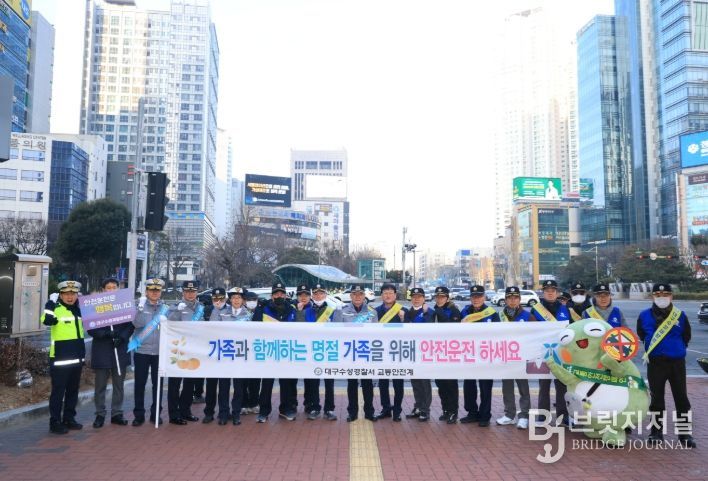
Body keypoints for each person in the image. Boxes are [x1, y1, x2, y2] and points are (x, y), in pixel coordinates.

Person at [637, 283, 696, 448]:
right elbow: (642, 334)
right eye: (658, 295)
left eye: (665, 294)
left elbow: (686, 336)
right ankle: (656, 433)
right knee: (656, 400)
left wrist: (675, 349)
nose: (661, 297)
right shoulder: (644, 315)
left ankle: (684, 434)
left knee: (681, 399)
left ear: (671, 296)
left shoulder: (680, 315)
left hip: (676, 363)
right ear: (653, 296)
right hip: (656, 363)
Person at [88, 278, 134, 428]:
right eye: (108, 287)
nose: (112, 290)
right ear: (103, 289)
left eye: (114, 287)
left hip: (119, 350)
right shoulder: (94, 305)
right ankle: (100, 414)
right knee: (100, 385)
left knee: (118, 385)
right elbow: (91, 328)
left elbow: (130, 325)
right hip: (102, 350)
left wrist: (122, 337)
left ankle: (117, 413)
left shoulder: (124, 304)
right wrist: (106, 334)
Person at [42, 280, 86, 435]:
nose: (70, 297)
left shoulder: (79, 310)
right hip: (60, 360)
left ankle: (69, 418)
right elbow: (47, 321)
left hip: (77, 359)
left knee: (73, 391)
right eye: (66, 293)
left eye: (73, 294)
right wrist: (50, 303)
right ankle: (55, 422)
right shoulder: (55, 309)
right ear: (60, 295)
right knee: (58, 392)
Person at [529, 279, 571, 427]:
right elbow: (530, 331)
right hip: (542, 353)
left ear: (557, 293)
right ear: (543, 293)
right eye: (547, 291)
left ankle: (563, 416)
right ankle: (543, 416)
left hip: (562, 353)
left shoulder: (566, 309)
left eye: (553, 290)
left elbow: (572, 330)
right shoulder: (536, 309)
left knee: (562, 386)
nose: (550, 293)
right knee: (543, 386)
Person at [252, 282, 297, 423]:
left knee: (286, 383)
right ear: (272, 296)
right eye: (276, 293)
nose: (279, 296)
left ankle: (285, 410)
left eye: (282, 293)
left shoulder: (292, 309)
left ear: (285, 295)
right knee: (266, 384)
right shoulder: (263, 309)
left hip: (286, 350)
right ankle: (264, 412)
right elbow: (254, 327)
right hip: (269, 350)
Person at [297, 283, 340, 421]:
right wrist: (299, 312)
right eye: (315, 294)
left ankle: (329, 409)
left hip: (328, 349)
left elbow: (339, 330)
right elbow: (299, 330)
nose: (318, 296)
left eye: (321, 293)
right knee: (313, 381)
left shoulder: (333, 310)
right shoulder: (306, 311)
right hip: (312, 350)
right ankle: (314, 407)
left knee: (329, 382)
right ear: (312, 296)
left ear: (325, 295)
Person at [459, 284, 500, 427]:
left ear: (484, 297)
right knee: (469, 386)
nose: (476, 299)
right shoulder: (464, 312)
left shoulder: (492, 313)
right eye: (473, 296)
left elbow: (499, 334)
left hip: (486, 355)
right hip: (469, 354)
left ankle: (485, 415)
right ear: (470, 298)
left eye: (479, 296)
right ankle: (472, 412)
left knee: (485, 387)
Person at [166, 280, 203, 425]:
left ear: (197, 292)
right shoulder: (175, 307)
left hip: (194, 350)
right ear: (183, 292)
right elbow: (167, 323)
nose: (190, 294)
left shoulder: (201, 308)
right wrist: (177, 312)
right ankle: (174, 414)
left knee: (190, 383)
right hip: (178, 350)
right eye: (187, 291)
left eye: (193, 291)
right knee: (175, 383)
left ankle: (185, 411)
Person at [131, 278, 166, 426]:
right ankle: (139, 415)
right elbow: (136, 324)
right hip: (142, 351)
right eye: (152, 290)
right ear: (146, 292)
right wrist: (139, 308)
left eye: (157, 290)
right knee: (140, 384)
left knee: (158, 385)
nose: (154, 293)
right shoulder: (138, 306)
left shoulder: (165, 308)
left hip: (159, 352)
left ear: (160, 292)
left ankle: (155, 413)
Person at [341, 286, 378, 422]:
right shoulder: (342, 311)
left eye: (360, 294)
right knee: (352, 384)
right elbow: (335, 332)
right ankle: (352, 412)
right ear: (350, 296)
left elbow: (377, 333)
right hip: (349, 352)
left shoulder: (372, 312)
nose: (357, 297)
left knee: (367, 384)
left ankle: (369, 412)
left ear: (364, 296)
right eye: (354, 294)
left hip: (365, 352)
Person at [496, 286, 531, 429]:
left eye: (515, 297)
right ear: (505, 300)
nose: (512, 300)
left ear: (519, 299)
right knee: (507, 387)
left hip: (522, 357)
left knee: (523, 388)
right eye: (509, 298)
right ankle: (509, 414)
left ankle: (524, 416)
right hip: (505, 356)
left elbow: (537, 334)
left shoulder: (528, 316)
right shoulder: (499, 316)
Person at [374, 283, 406, 421]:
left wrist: (403, 319)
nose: (388, 295)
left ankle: (397, 410)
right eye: (385, 293)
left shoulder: (403, 310)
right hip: (382, 351)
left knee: (398, 383)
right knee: (383, 383)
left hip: (398, 352)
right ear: (381, 295)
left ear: (395, 295)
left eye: (390, 293)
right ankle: (386, 408)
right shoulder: (375, 311)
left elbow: (412, 331)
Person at [431, 286, 462, 424]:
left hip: (450, 352)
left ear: (447, 298)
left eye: (442, 297)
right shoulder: (432, 310)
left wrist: (438, 311)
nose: (439, 299)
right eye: (437, 297)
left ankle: (453, 411)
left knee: (451, 384)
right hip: (437, 351)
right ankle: (445, 410)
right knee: (440, 383)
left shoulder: (453, 310)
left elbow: (451, 326)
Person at [203, 287, 232, 425]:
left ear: (225, 298)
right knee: (210, 386)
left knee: (224, 386)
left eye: (220, 298)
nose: (218, 301)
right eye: (215, 298)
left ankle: (224, 413)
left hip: (226, 352)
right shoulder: (207, 310)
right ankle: (209, 413)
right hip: (211, 353)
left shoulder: (231, 310)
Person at [404, 287, 434, 421]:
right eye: (414, 297)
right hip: (411, 351)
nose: (416, 299)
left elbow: (430, 327)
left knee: (424, 382)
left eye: (419, 297)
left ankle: (425, 410)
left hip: (424, 352)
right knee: (415, 382)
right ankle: (418, 406)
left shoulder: (429, 312)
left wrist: (426, 313)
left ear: (424, 298)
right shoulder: (406, 312)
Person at [241, 290, 261, 415]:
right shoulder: (240, 312)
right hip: (242, 349)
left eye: (254, 300)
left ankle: (254, 403)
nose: (251, 302)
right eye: (249, 300)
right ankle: (243, 404)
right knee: (242, 379)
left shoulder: (260, 312)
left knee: (255, 379)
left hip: (257, 349)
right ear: (244, 301)